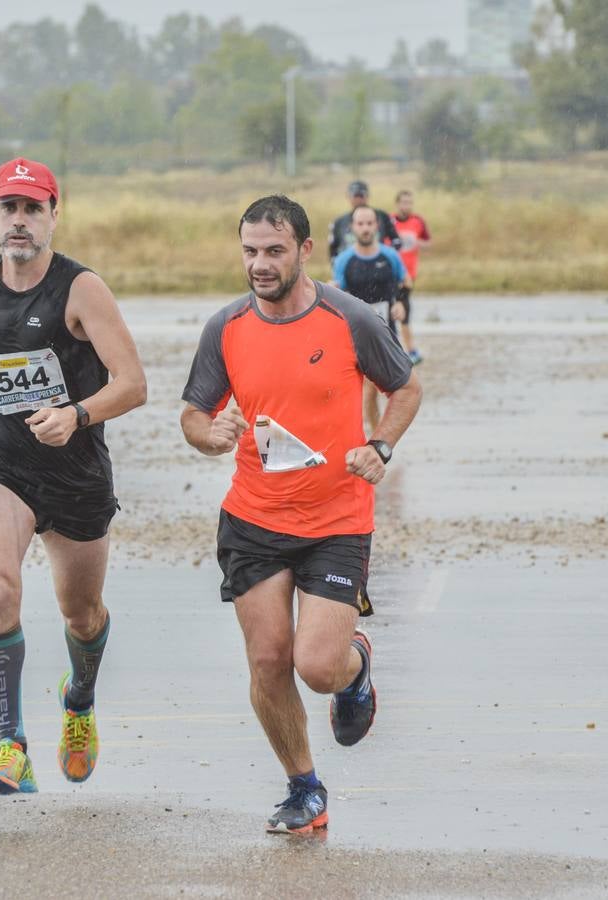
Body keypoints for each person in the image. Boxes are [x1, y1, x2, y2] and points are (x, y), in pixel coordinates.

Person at [180, 195, 421, 834]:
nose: (260, 264)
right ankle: (304, 788)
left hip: (336, 520)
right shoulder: (225, 327)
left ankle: (356, 667)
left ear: (306, 250)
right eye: (250, 251)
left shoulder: (349, 318)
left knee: (316, 666)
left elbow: (406, 387)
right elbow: (193, 417)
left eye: (274, 251)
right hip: (254, 520)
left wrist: (380, 445)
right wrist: (212, 433)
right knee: (267, 661)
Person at [0, 157, 147, 794]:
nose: (20, 221)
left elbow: (133, 384)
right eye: (10, 208)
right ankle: (12, 747)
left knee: (80, 615)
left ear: (55, 215)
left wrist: (77, 414)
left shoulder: (82, 290)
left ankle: (78, 700)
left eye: (33, 209)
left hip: (75, 474)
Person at [332, 205, 412, 434]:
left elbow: (406, 282)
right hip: (357, 335)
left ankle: (379, 435)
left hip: (388, 332)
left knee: (399, 387)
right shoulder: (344, 261)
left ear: (377, 226)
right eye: (360, 224)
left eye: (369, 224)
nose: (365, 229)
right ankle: (376, 439)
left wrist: (400, 304)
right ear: (352, 228)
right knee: (368, 389)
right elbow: (338, 294)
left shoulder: (390, 256)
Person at [392, 189, 432, 364]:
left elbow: (428, 242)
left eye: (409, 202)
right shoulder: (389, 221)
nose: (406, 206)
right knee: (387, 311)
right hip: (390, 274)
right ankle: (398, 350)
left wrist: (419, 243)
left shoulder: (417, 221)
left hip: (408, 275)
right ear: (398, 203)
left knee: (405, 311)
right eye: (404, 202)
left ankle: (410, 351)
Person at [327, 180, 400, 261]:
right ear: (348, 197)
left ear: (367, 196)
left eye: (361, 196)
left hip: (378, 267)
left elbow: (396, 241)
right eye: (355, 196)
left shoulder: (382, 217)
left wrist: (387, 259)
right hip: (350, 268)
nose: (358, 200)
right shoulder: (339, 222)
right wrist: (339, 266)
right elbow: (333, 250)